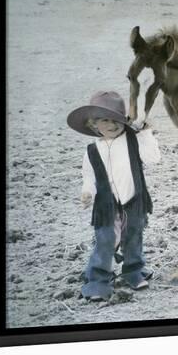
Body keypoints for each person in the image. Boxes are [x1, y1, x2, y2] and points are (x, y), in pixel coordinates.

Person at [67, 91, 160, 301]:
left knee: (133, 236)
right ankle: (98, 279)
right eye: (105, 120)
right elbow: (89, 176)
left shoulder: (132, 141)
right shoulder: (92, 150)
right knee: (106, 239)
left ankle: (133, 270)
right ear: (93, 125)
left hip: (133, 200)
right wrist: (87, 192)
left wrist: (145, 134)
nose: (112, 124)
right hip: (105, 205)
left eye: (117, 119)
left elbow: (153, 158)